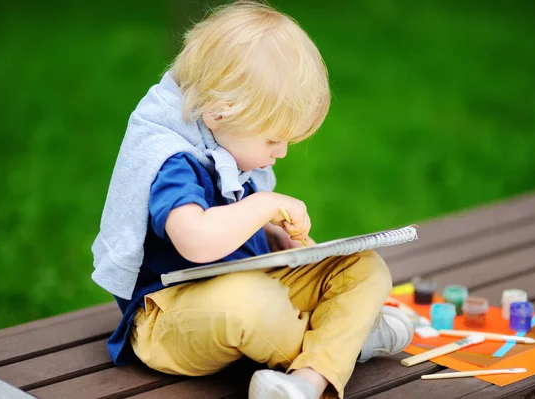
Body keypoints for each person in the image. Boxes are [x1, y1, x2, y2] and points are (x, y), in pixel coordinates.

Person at [90, 2, 413, 398]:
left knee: (364, 267)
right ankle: (347, 339)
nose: (281, 152)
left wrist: (275, 237)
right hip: (170, 314)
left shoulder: (226, 139)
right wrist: (263, 207)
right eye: (273, 139)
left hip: (245, 285)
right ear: (220, 115)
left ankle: (306, 382)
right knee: (250, 305)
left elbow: (234, 223)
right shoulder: (173, 160)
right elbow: (196, 239)